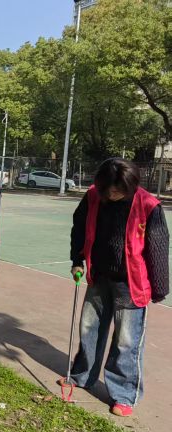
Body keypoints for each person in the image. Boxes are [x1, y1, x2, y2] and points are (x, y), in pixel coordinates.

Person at [67, 158, 169, 417]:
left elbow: (158, 247)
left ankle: (123, 394)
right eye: (108, 190)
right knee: (89, 329)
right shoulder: (93, 196)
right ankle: (82, 375)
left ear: (131, 185)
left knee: (126, 340)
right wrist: (77, 260)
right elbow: (79, 227)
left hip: (131, 283)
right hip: (99, 275)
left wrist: (159, 287)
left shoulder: (148, 205)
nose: (112, 195)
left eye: (118, 191)